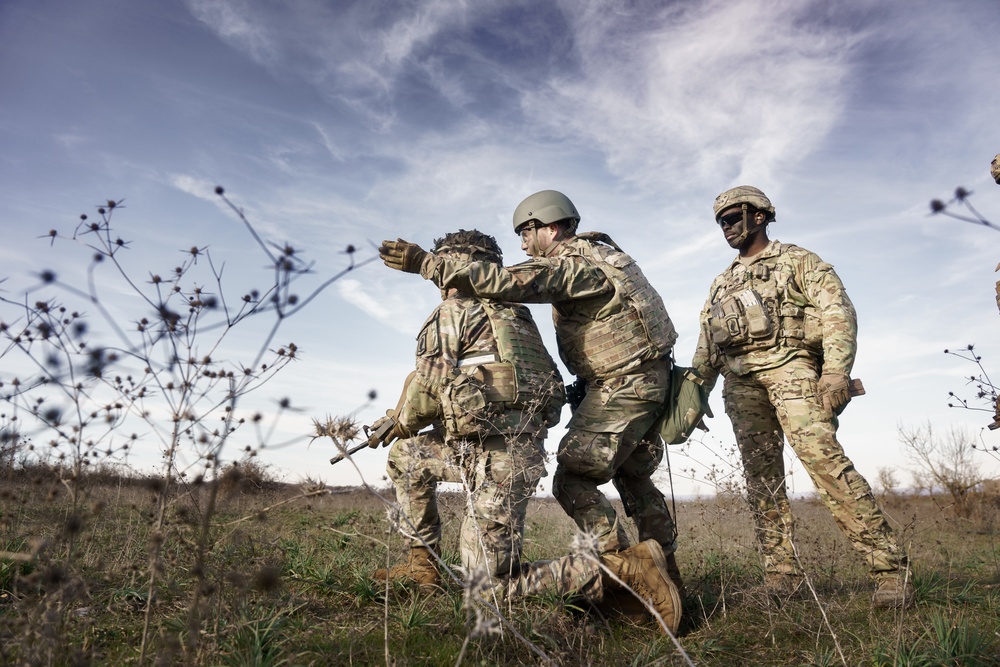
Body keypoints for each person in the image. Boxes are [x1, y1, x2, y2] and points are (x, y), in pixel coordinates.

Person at [379, 190, 684, 593]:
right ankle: (667, 574)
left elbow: (429, 389)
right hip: (611, 396)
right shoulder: (521, 318)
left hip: (615, 391)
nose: (523, 245)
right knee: (634, 479)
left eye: (527, 232)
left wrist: (427, 264)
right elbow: (548, 394)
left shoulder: (575, 265)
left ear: (551, 227)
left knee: (571, 482)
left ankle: (629, 576)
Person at [690, 185, 912, 608]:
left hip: (793, 372)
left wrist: (834, 373)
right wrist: (694, 396)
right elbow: (707, 345)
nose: (727, 227)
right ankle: (782, 578)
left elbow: (838, 313)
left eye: (734, 217)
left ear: (760, 216)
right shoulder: (722, 283)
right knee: (762, 483)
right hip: (741, 385)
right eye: (721, 221)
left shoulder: (798, 261)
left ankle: (890, 573)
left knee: (826, 464)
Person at [368, 229, 564, 589]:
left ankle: (620, 574)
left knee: (485, 584)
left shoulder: (452, 311)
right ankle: (421, 566)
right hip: (498, 452)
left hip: (497, 464)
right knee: (407, 457)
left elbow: (428, 392)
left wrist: (398, 423)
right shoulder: (517, 319)